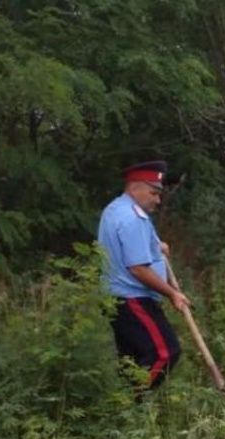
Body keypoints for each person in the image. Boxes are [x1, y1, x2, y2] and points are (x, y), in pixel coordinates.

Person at [97, 160, 189, 392]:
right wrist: (173, 294)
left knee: (132, 359)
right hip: (133, 299)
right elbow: (138, 268)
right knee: (165, 352)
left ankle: (124, 415)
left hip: (116, 298)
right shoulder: (132, 218)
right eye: (154, 192)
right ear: (135, 186)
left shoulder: (116, 209)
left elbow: (132, 247)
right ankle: (129, 404)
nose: (157, 200)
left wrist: (158, 247)